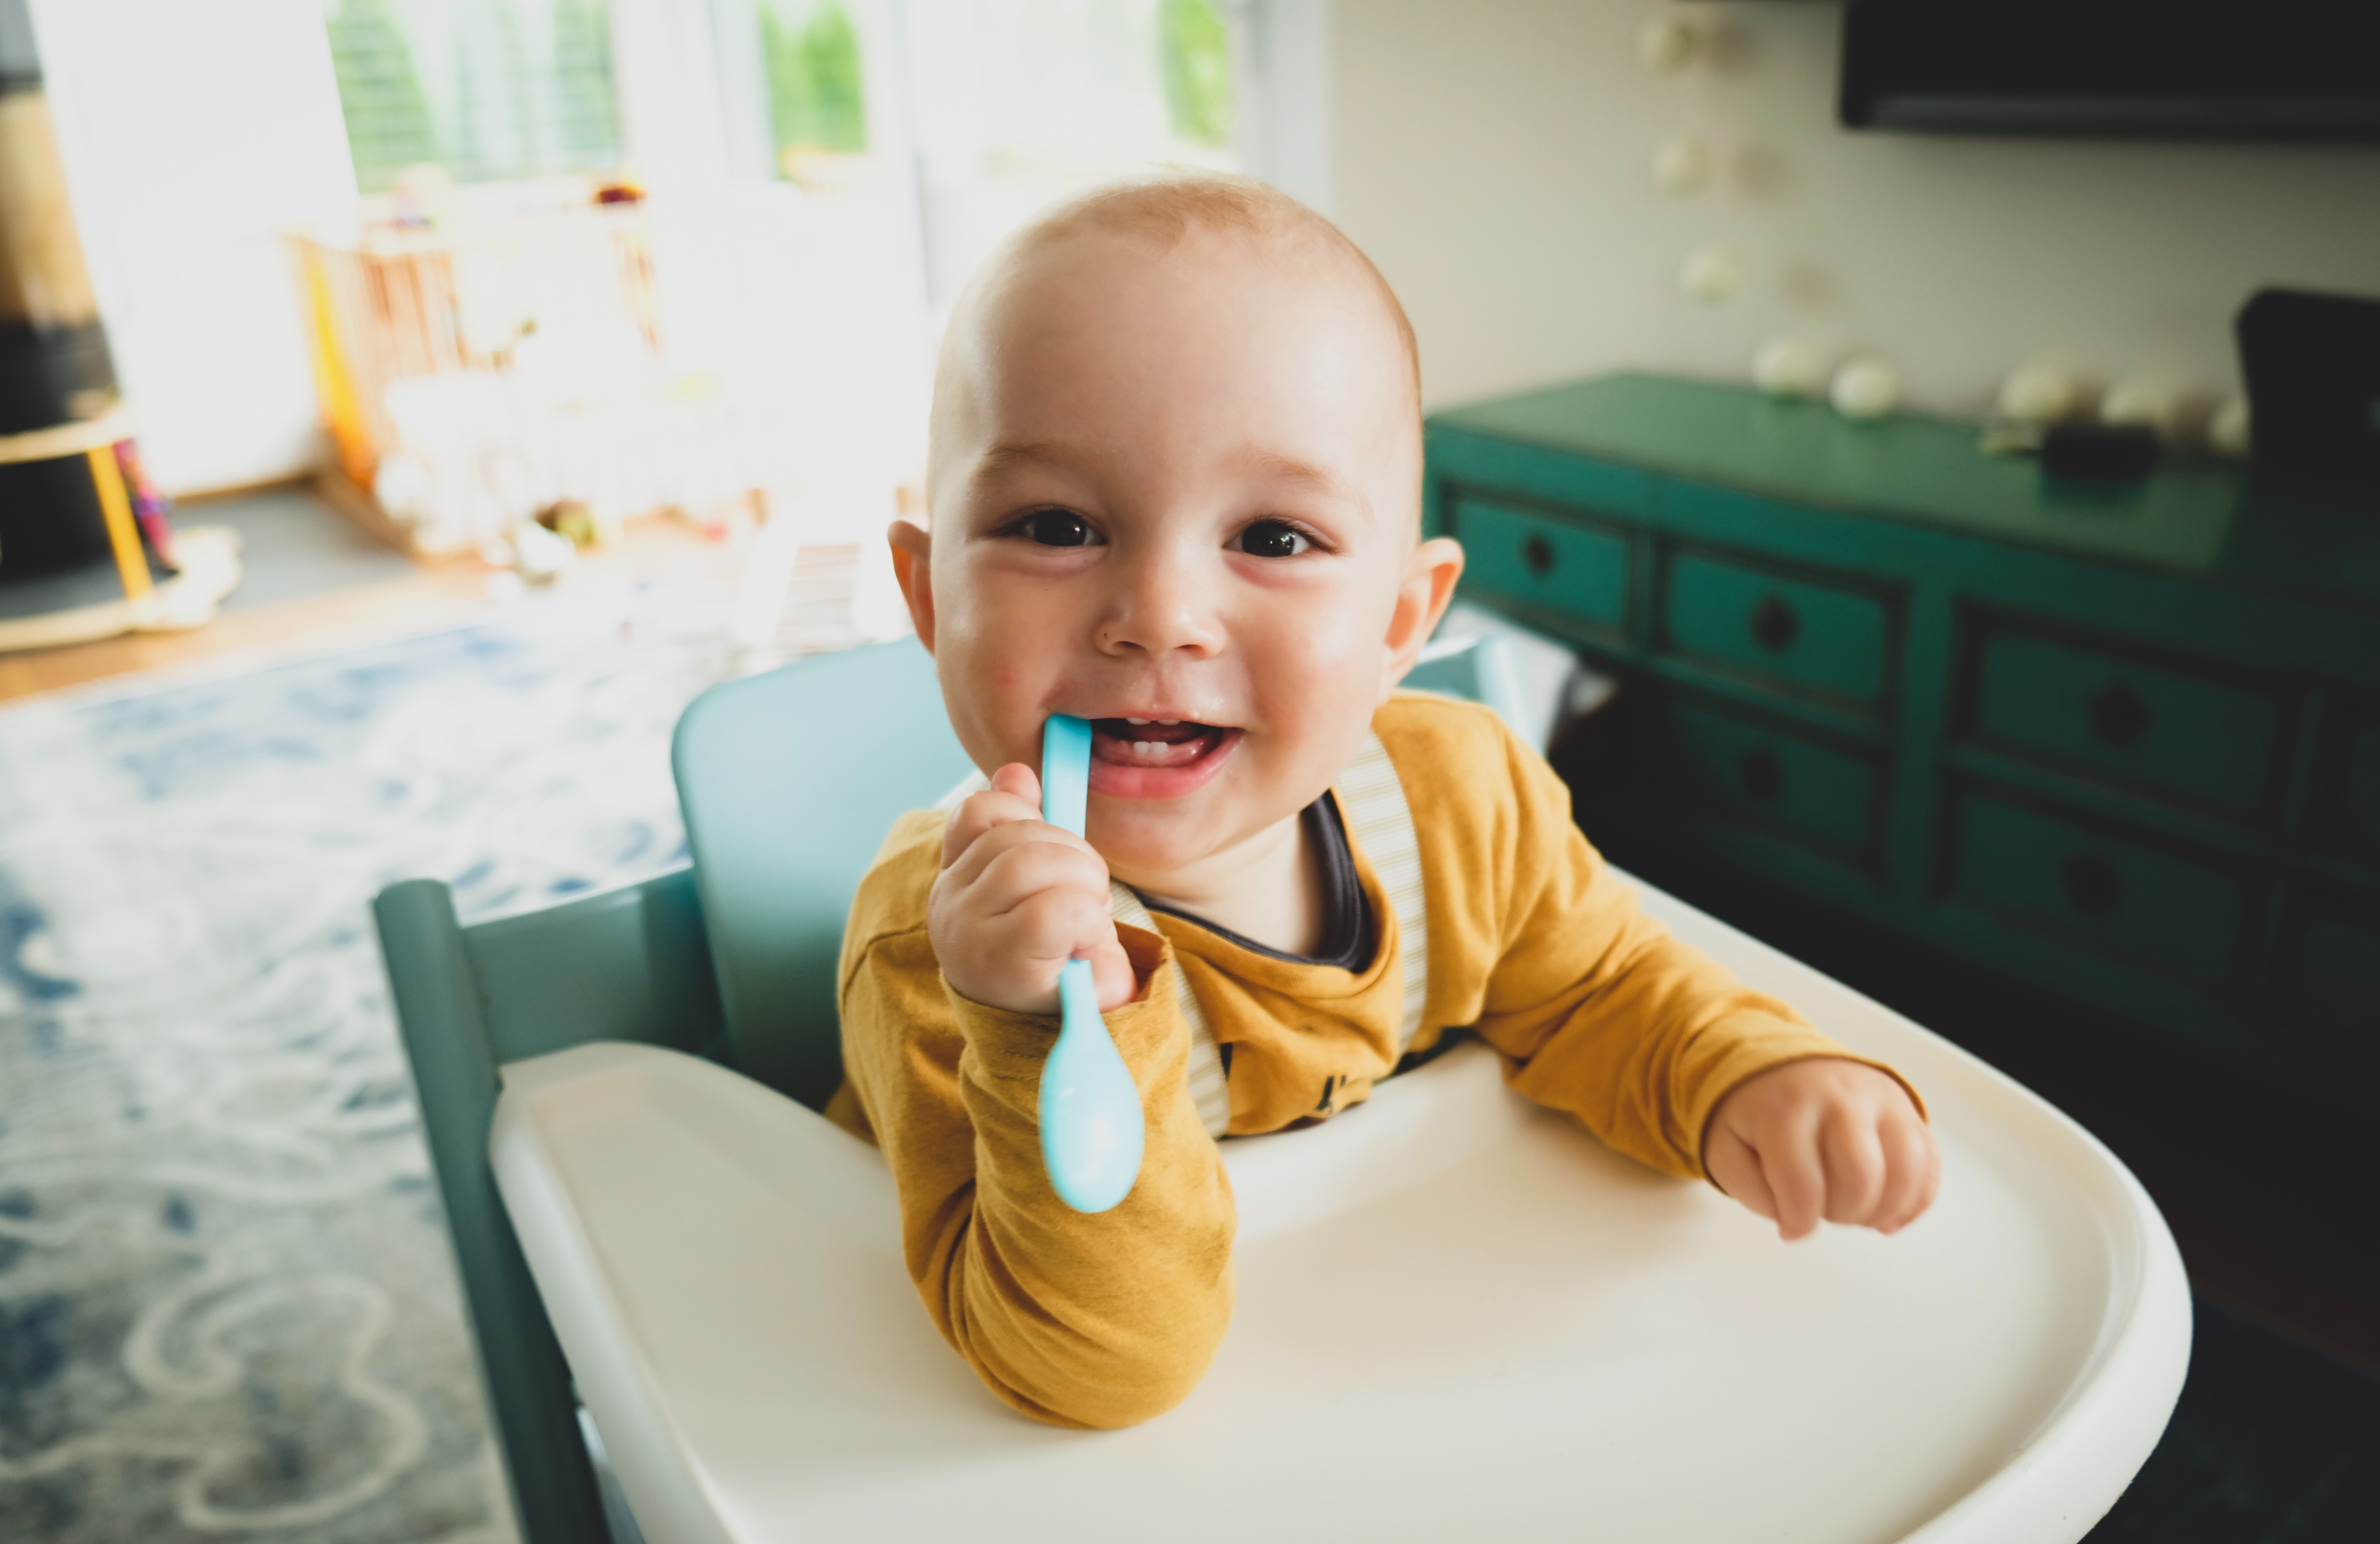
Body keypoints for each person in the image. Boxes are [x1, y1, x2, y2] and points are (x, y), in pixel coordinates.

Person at [825, 173, 1939, 1430]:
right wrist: (1037, 1023)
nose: (1160, 618)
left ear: (1404, 621)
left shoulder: (1457, 802)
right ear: (927, 599)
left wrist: (1746, 1076)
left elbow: (1597, 990)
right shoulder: (938, 952)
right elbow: (1094, 1370)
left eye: (1275, 538)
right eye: (1055, 524)